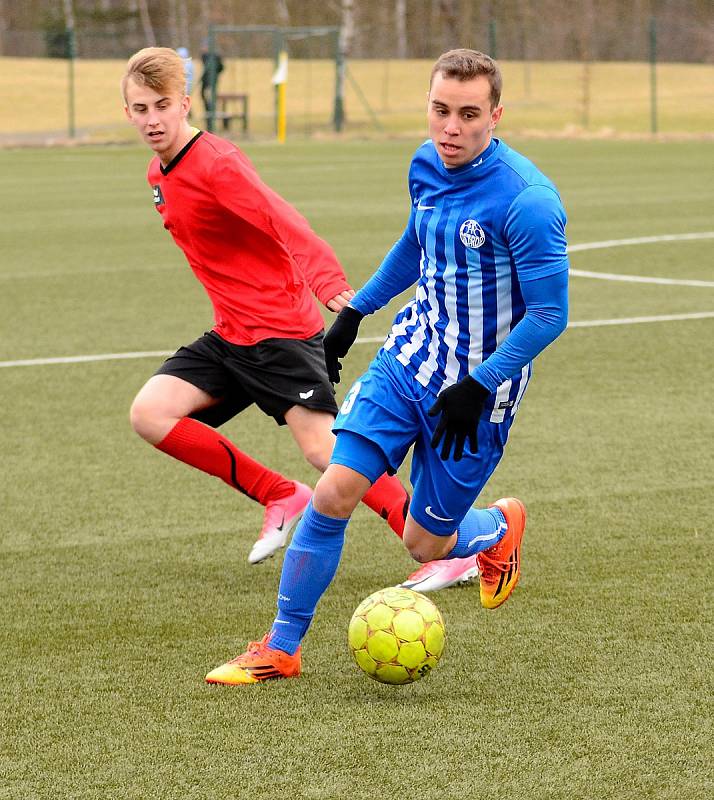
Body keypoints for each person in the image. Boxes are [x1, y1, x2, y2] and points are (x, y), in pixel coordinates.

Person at [205, 48, 569, 685]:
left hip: (477, 393)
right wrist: (356, 312)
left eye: (468, 114)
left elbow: (549, 315)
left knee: (424, 544)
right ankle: (281, 648)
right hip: (408, 358)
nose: (450, 128)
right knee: (334, 490)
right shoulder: (426, 164)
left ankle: (496, 528)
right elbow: (415, 243)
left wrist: (479, 386)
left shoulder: (528, 201)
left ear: (496, 116)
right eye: (439, 110)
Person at [121, 47, 412, 566]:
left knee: (326, 452)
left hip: (279, 330)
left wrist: (325, 279)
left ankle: (438, 547)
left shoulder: (217, 164)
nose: (152, 119)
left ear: (185, 103)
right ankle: (280, 494)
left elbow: (282, 219)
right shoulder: (158, 176)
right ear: (128, 113)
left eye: (161, 105)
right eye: (140, 109)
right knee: (150, 413)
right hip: (232, 335)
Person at [200, 47, 224, 116]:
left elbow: (221, 67)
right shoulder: (206, 56)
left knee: (211, 96)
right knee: (206, 95)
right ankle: (209, 108)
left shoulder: (214, 57)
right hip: (208, 80)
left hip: (211, 80)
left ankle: (210, 109)